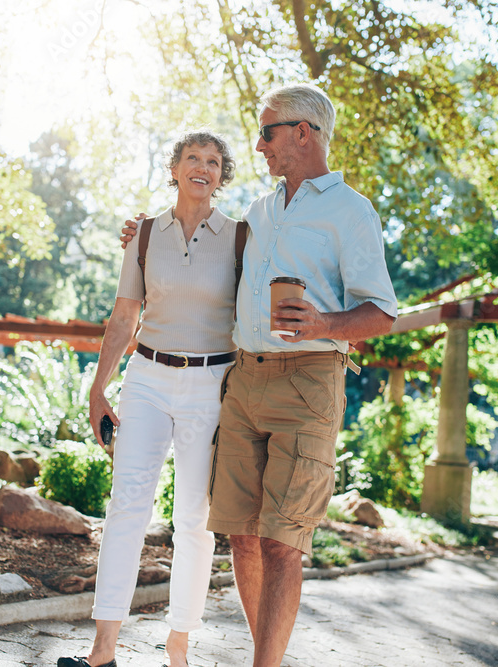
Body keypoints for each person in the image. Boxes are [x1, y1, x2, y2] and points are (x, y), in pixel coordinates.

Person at [122, 83, 398, 667]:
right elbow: (202, 245)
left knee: (282, 540)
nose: (258, 143)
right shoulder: (260, 211)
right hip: (242, 381)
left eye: (268, 131)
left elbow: (382, 312)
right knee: (241, 534)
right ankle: (261, 656)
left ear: (304, 133)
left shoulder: (351, 210)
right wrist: (143, 236)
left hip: (308, 381)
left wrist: (326, 321)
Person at [58, 130, 240, 667]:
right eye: (192, 158)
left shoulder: (241, 237)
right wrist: (98, 387)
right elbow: (123, 317)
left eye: (213, 161)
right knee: (125, 509)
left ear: (221, 175)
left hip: (211, 384)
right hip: (147, 377)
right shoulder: (144, 236)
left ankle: (178, 651)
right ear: (175, 168)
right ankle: (103, 653)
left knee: (193, 519)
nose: (202, 168)